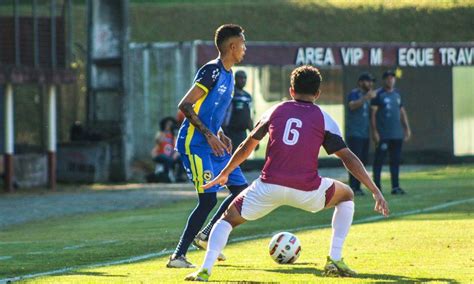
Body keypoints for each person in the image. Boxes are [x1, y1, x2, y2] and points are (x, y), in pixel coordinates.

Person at [185, 65, 389, 281]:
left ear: (291, 90)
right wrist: (375, 190)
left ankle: (205, 270)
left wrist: (226, 172)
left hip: (268, 188)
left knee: (227, 220)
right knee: (347, 194)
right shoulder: (324, 118)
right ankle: (335, 258)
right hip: (308, 190)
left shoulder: (276, 110)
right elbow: (348, 158)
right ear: (317, 94)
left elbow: (247, 145)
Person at [167, 24, 249, 268]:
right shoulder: (211, 71)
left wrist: (220, 133)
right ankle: (178, 256)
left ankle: (206, 236)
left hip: (214, 145)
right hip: (195, 145)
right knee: (208, 201)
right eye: (243, 44)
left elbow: (209, 111)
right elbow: (185, 105)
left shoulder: (230, 74)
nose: (245, 49)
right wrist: (208, 135)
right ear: (232, 47)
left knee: (241, 191)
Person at [371, 70, 412, 195]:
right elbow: (373, 114)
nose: (390, 80)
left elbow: (402, 112)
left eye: (392, 78)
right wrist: (375, 132)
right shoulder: (378, 94)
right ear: (384, 80)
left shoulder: (397, 94)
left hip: (396, 135)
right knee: (379, 161)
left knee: (395, 161)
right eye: (388, 78)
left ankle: (395, 187)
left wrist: (407, 128)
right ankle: (376, 188)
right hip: (383, 135)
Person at [345, 72, 376, 196]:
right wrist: (365, 98)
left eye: (371, 81)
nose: (370, 84)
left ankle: (358, 187)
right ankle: (353, 186)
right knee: (354, 161)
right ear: (361, 82)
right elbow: (352, 106)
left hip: (364, 134)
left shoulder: (367, 96)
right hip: (354, 133)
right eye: (367, 81)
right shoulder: (355, 93)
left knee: (362, 162)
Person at [223, 70, 254, 151]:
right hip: (230, 132)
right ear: (235, 79)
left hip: (243, 133)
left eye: (245, 78)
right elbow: (223, 113)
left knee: (242, 158)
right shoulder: (230, 94)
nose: (243, 80)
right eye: (240, 78)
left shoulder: (248, 96)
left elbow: (249, 117)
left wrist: (253, 135)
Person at [151, 117, 183, 183]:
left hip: (170, 156)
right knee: (167, 159)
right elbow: (158, 140)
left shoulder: (173, 136)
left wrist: (175, 155)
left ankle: (178, 177)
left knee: (181, 159)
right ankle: (165, 176)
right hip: (160, 154)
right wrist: (165, 132)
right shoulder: (160, 133)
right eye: (168, 124)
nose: (169, 126)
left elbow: (176, 147)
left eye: (171, 124)